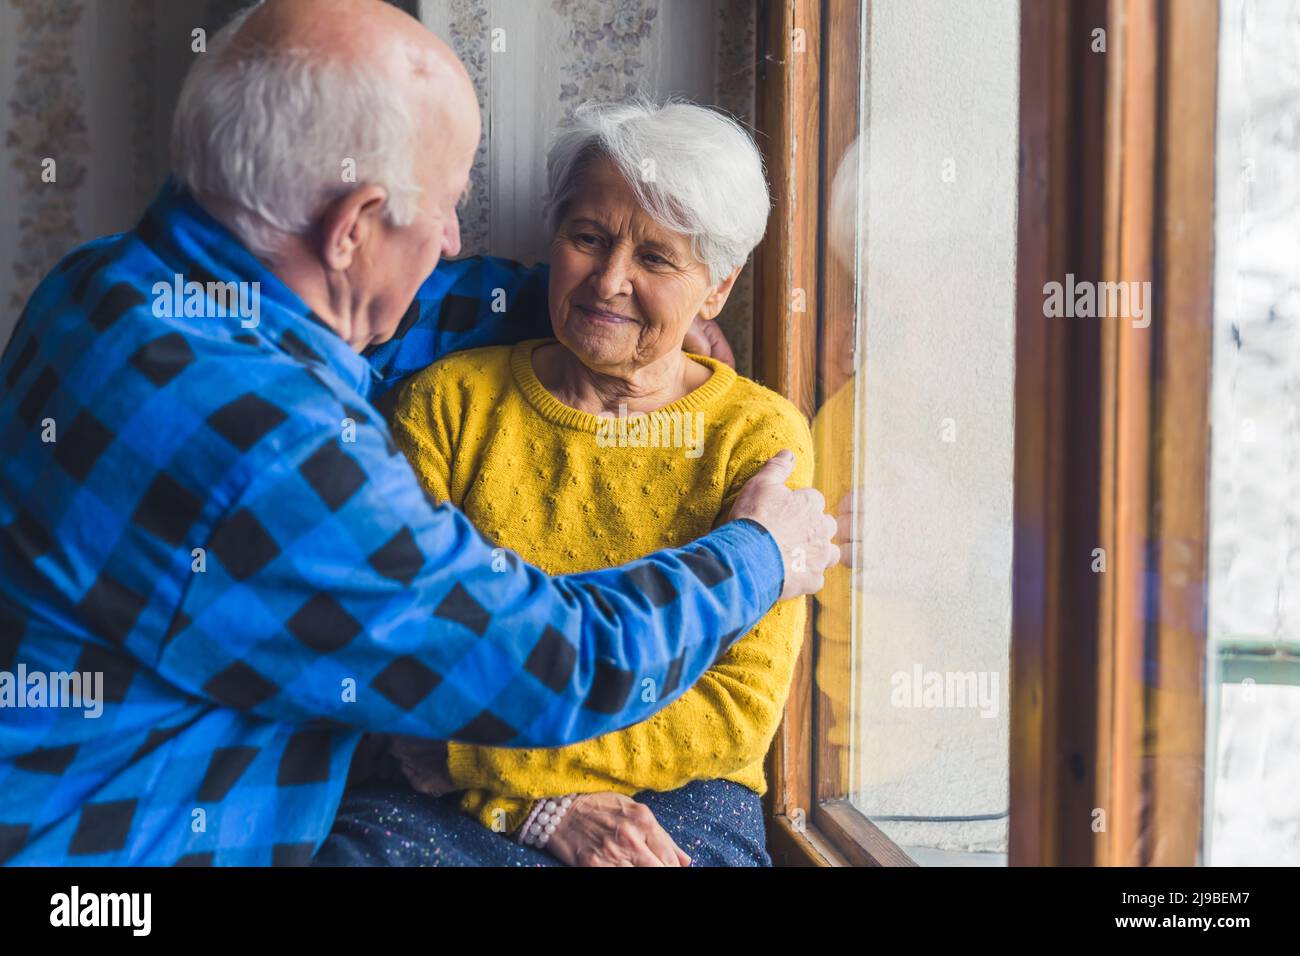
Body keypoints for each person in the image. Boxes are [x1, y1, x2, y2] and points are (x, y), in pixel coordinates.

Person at [0, 0, 837, 866]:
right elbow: (557, 665)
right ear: (353, 227)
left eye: (659, 256)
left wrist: (612, 307)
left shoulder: (103, 285)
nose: (450, 241)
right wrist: (759, 554)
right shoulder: (277, 457)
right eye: (442, 208)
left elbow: (384, 305)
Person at [319, 99, 806, 867]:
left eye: (656, 259)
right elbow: (410, 665)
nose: (609, 281)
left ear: (716, 289)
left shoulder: (759, 435)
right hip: (440, 793)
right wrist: (537, 811)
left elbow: (735, 713)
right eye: (588, 238)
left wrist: (494, 770)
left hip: (669, 790)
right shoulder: (447, 402)